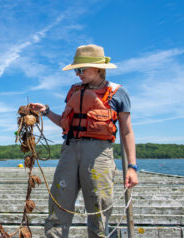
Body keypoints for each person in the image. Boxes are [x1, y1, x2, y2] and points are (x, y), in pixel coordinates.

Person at [30, 44, 138, 238]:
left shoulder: (118, 93)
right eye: (76, 70)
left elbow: (127, 132)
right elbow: (65, 124)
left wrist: (132, 167)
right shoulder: (73, 91)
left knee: (99, 209)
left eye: (81, 69)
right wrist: (46, 112)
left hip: (99, 155)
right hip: (69, 152)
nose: (78, 74)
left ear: (97, 68)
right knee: (58, 206)